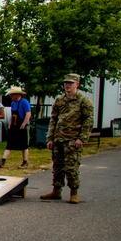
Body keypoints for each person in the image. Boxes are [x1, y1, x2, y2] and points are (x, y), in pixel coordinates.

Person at [42, 73, 94, 204]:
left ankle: (74, 192)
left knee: (71, 167)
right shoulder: (59, 100)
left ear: (77, 84)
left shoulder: (83, 101)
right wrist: (50, 138)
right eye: (66, 83)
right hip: (59, 138)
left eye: (70, 83)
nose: (67, 85)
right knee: (57, 166)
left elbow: (88, 120)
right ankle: (56, 190)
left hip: (73, 139)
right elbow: (53, 120)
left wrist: (82, 138)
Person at [0, 86, 31, 168]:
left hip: (21, 126)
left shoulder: (24, 102)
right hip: (14, 126)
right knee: (9, 143)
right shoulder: (13, 103)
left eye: (12, 95)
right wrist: (10, 123)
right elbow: (12, 114)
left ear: (17, 95)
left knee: (24, 145)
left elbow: (28, 114)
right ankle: (3, 161)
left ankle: (25, 162)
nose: (11, 96)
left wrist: (23, 124)